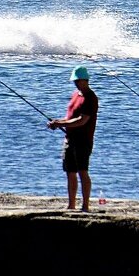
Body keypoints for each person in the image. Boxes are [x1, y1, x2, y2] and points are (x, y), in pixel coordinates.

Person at [47, 65, 99, 212]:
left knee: (82, 171)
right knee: (70, 172)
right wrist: (57, 122)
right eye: (75, 81)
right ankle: (71, 205)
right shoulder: (76, 95)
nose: (76, 83)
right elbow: (70, 117)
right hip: (69, 139)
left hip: (83, 140)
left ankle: (85, 205)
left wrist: (60, 123)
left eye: (78, 81)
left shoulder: (90, 98)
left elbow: (82, 120)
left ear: (85, 80)